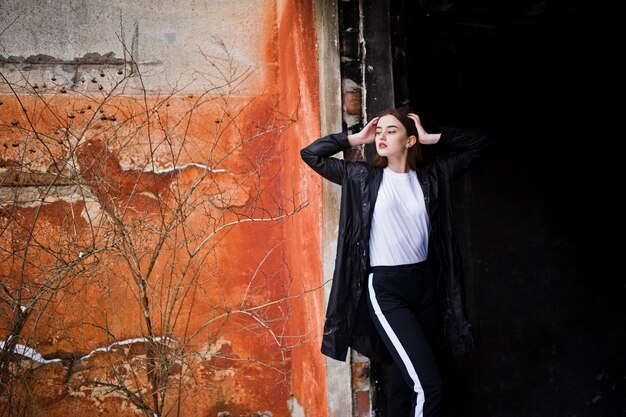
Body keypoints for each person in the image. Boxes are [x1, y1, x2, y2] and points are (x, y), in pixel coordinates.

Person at [300, 109, 491, 417]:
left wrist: (432, 138)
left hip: (426, 288)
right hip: (387, 290)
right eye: (379, 132)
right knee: (430, 388)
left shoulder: (433, 177)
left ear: (410, 140)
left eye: (391, 131)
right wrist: (354, 138)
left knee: (404, 386)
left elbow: (481, 143)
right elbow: (311, 154)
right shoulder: (362, 176)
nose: (381, 136)